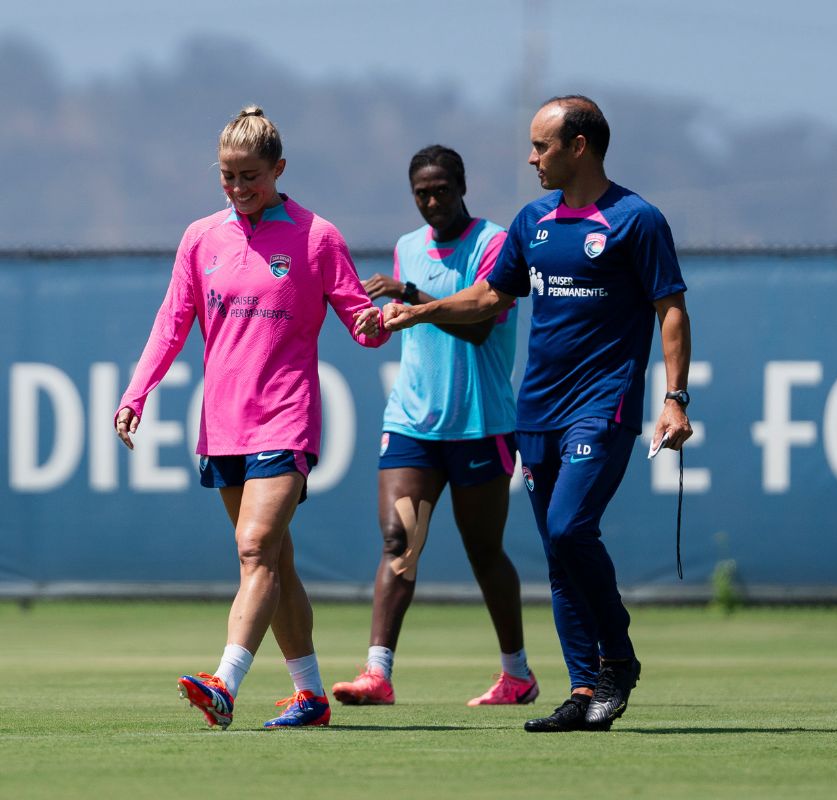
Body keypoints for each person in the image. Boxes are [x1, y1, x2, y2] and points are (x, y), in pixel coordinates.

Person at [382, 95, 692, 732]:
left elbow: (671, 310)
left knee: (571, 527)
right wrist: (423, 310)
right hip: (538, 411)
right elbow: (491, 293)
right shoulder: (533, 221)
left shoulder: (637, 220)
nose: (531, 158)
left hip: (601, 406)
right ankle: (583, 691)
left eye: (541, 146)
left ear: (578, 146)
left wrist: (674, 398)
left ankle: (618, 661)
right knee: (557, 549)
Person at [114, 106, 388, 730]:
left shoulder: (318, 236)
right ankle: (311, 695)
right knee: (275, 562)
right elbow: (171, 323)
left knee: (255, 548)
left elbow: (361, 324)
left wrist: (375, 323)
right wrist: (136, 393)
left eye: (252, 177)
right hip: (223, 425)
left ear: (280, 169)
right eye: (229, 177)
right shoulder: (200, 237)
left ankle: (225, 681)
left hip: (286, 417)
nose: (240, 189)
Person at [330, 145, 538, 707]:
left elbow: (477, 323)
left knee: (484, 552)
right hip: (413, 424)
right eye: (421, 192)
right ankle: (377, 673)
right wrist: (385, 316)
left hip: (480, 424)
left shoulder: (494, 242)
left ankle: (516, 674)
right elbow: (410, 325)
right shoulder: (406, 248)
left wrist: (411, 298)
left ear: (462, 184)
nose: (432, 201)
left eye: (442, 189)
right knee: (400, 541)